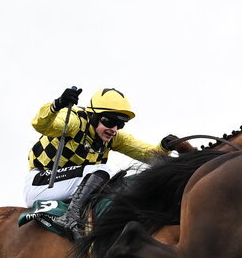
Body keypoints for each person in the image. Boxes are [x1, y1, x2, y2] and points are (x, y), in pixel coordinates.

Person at [23, 86, 190, 240]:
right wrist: (57, 105)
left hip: (69, 185)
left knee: (117, 185)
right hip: (41, 184)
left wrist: (164, 147)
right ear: (92, 116)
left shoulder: (114, 138)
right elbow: (41, 124)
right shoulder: (74, 122)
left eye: (120, 124)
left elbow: (148, 155)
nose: (114, 129)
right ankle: (69, 218)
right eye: (109, 122)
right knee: (103, 170)